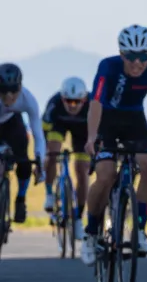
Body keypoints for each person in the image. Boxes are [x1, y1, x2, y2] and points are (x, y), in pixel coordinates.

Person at [82, 25, 147, 266]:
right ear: (121, 54)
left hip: (135, 119)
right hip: (106, 120)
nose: (137, 63)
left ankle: (139, 229)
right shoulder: (108, 66)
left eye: (143, 56)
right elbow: (95, 103)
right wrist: (92, 137)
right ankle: (90, 234)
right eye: (131, 56)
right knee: (105, 175)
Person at [42, 76, 91, 238]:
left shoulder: (92, 104)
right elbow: (43, 131)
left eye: (77, 102)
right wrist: (45, 154)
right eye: (68, 101)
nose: (72, 105)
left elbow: (98, 131)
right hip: (59, 126)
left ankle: (78, 219)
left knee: (82, 171)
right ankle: (49, 194)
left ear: (84, 99)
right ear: (62, 98)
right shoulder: (54, 103)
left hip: (83, 132)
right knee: (52, 153)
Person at [0, 63, 45, 223]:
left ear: (20, 87)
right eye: (4, 91)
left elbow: (38, 136)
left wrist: (40, 163)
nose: (9, 96)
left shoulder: (28, 99)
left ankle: (20, 199)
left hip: (13, 123)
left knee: (25, 162)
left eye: (14, 91)